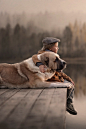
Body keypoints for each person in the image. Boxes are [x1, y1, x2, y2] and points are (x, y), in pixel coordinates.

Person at [32, 37, 77, 115]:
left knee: (71, 85)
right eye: (56, 46)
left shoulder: (55, 56)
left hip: (56, 77)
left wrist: (69, 79)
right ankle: (68, 103)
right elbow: (35, 57)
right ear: (50, 47)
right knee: (69, 86)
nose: (58, 48)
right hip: (50, 78)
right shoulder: (44, 54)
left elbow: (59, 72)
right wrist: (40, 64)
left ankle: (68, 103)